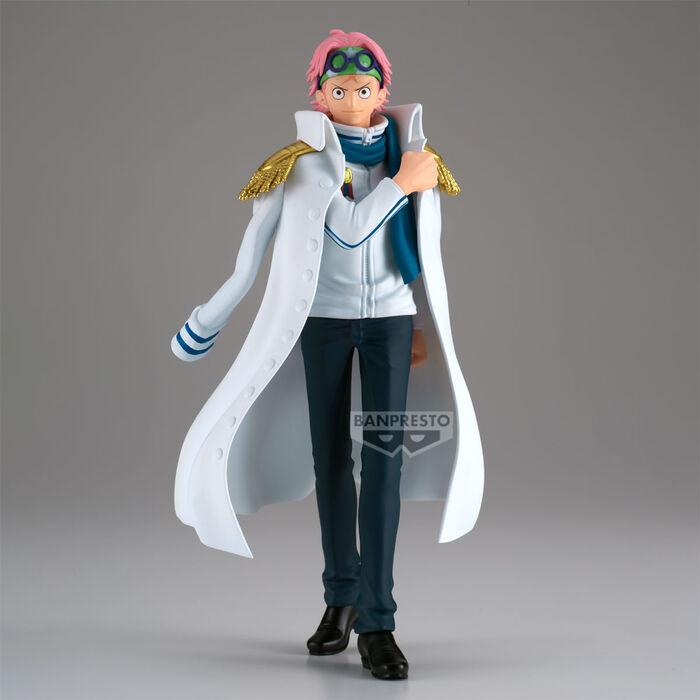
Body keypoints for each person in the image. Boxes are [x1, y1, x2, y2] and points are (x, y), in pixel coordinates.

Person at [170, 28, 484, 681]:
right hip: (323, 324)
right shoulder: (306, 165)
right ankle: (341, 596)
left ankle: (379, 620)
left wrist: (421, 322)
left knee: (386, 461)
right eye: (338, 89)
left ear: (383, 91)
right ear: (318, 95)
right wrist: (206, 323)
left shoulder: (415, 157)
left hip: (391, 322)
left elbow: (424, 255)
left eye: (364, 88)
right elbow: (332, 234)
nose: (352, 99)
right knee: (331, 461)